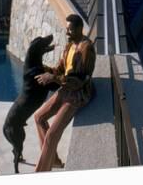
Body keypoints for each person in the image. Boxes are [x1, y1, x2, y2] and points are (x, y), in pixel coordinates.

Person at [33, 13, 96, 172]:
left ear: (80, 29)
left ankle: (41, 173)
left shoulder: (86, 49)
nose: (66, 33)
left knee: (52, 135)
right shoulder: (69, 46)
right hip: (65, 88)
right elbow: (60, 69)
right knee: (39, 117)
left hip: (78, 94)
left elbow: (79, 81)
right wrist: (43, 69)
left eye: (70, 30)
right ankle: (52, 159)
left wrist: (54, 78)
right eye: (66, 29)